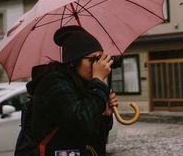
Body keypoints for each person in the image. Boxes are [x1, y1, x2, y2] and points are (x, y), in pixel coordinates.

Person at [21, 25, 118, 156]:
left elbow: (95, 133)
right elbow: (80, 122)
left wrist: (105, 114)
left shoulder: (84, 83)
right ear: (73, 62)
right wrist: (98, 83)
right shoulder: (53, 82)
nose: (99, 64)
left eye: (100, 58)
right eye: (93, 59)